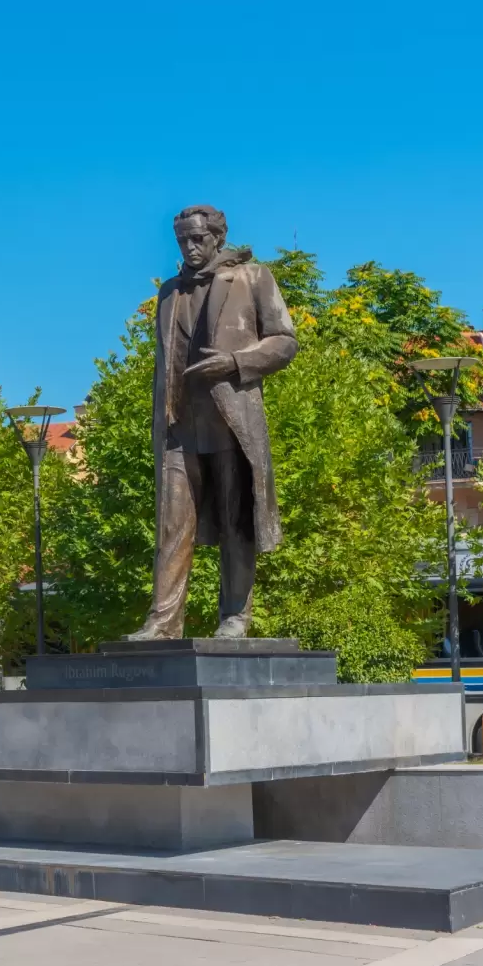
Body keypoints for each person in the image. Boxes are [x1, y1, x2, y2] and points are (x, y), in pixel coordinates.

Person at [131, 205, 298, 641]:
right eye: (182, 240)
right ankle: (163, 621)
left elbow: (285, 341)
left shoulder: (251, 278)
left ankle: (234, 616)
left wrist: (236, 362)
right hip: (179, 428)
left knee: (235, 520)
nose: (189, 247)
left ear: (217, 238)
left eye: (197, 239)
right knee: (171, 526)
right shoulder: (169, 293)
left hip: (231, 424)